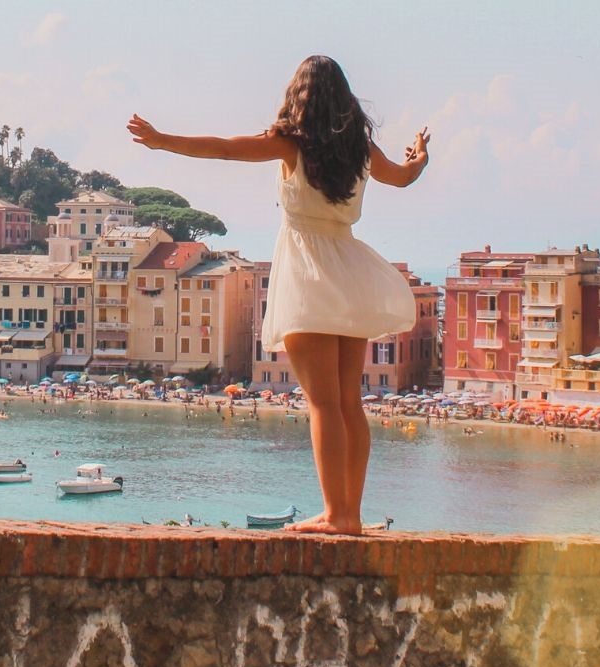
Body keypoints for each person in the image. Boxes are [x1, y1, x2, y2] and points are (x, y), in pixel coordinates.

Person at [129, 55, 429, 535]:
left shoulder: (292, 144)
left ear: (300, 96)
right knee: (349, 402)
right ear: (345, 98)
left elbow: (225, 150)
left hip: (309, 272)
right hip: (351, 270)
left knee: (324, 404)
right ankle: (349, 512)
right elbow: (404, 177)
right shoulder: (360, 148)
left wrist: (165, 142)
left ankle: (337, 515)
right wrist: (419, 158)